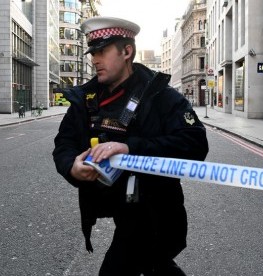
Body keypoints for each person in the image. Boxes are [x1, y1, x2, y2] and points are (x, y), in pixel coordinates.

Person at [53, 16, 208, 276]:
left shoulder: (161, 97)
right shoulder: (88, 99)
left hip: (158, 214)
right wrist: (71, 166)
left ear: (127, 51)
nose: (95, 60)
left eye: (102, 51)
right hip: (121, 211)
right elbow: (64, 142)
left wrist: (129, 148)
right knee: (156, 267)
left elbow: (194, 143)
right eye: (93, 53)